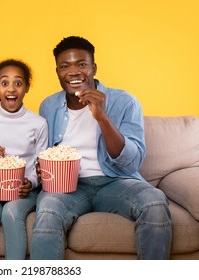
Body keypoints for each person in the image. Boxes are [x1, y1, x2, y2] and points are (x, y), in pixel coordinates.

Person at [30, 36, 172, 260]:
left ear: (93, 68)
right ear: (57, 71)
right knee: (48, 210)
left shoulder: (125, 102)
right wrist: (42, 168)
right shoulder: (49, 105)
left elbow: (132, 162)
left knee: (154, 201)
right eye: (65, 66)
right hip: (69, 187)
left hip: (116, 182)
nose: (73, 72)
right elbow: (45, 152)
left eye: (81, 64)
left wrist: (102, 117)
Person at [0, 59, 48, 259]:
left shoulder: (38, 124)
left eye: (18, 83)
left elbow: (41, 167)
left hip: (23, 191)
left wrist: (30, 182)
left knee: (11, 213)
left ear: (27, 87)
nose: (11, 89)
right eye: (5, 83)